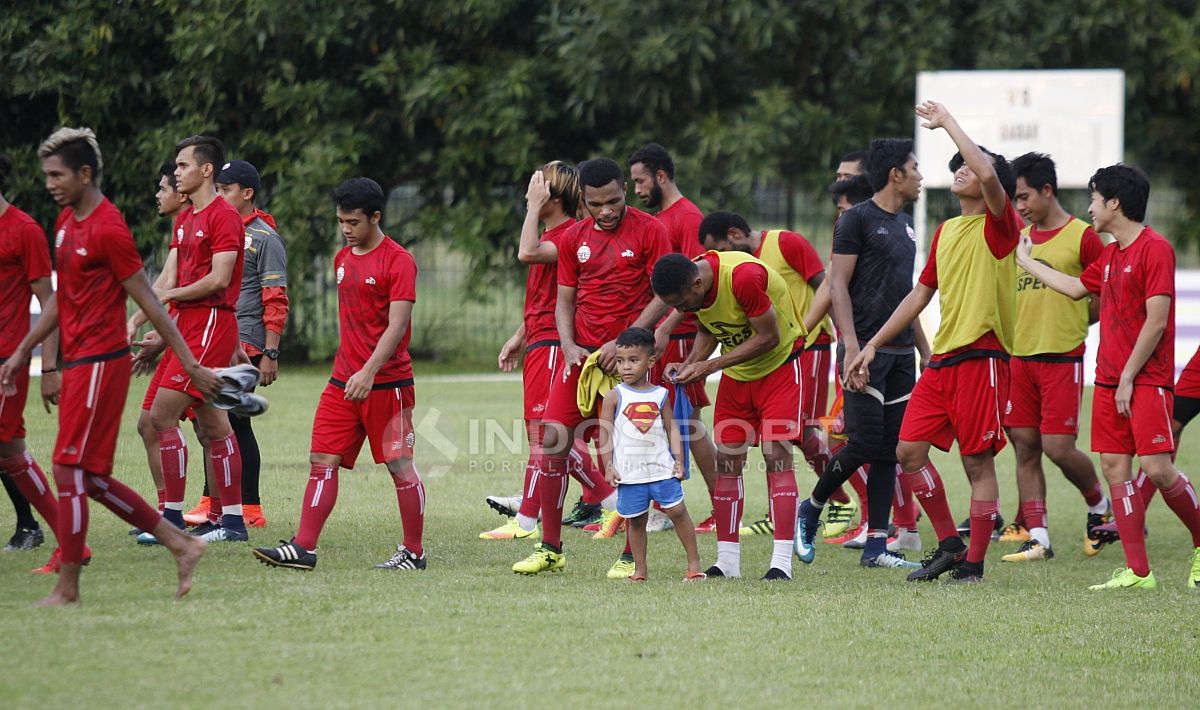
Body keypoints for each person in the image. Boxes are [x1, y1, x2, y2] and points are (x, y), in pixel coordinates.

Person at [0, 126, 217, 605]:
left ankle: (68, 587)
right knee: (88, 478)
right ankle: (181, 543)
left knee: (67, 469)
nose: (50, 183)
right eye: (46, 175)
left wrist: (189, 363)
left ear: (84, 173)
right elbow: (60, 301)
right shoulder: (65, 223)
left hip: (103, 363)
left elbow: (153, 304)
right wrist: (26, 352)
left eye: (57, 175)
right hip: (80, 363)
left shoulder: (108, 228)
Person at [845, 102, 1021, 584]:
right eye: (958, 166)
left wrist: (947, 124)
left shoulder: (1000, 224)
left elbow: (987, 171)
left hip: (982, 358)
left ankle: (974, 565)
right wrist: (873, 343)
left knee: (975, 461)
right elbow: (918, 296)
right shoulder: (945, 231)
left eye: (970, 166)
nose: (962, 170)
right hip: (941, 362)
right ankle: (948, 544)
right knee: (907, 451)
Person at [1015, 164, 1200, 590]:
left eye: (1095, 199)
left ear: (1114, 203)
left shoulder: (1156, 249)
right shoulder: (1112, 254)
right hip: (1109, 380)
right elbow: (1076, 288)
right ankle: (1138, 573)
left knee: (1157, 470)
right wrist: (1027, 260)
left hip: (1145, 380)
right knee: (1116, 468)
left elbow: (1156, 322)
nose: (1089, 207)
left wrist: (1130, 377)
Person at [253, 177, 425, 571]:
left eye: (353, 222)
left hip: (387, 383)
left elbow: (397, 326)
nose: (346, 230)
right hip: (343, 380)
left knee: (400, 466)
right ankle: (304, 547)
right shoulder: (342, 259)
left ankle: (414, 552)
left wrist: (369, 370)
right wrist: (355, 370)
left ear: (375, 218)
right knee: (322, 459)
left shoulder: (399, 261)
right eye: (341, 222)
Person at [510, 157, 671, 577]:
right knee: (552, 441)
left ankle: (631, 556)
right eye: (597, 204)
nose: (606, 211)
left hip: (629, 360)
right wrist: (567, 345)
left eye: (614, 201)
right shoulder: (573, 238)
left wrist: (625, 342)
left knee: (631, 456)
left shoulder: (651, 230)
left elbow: (663, 295)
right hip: (581, 359)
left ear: (623, 192)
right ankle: (550, 547)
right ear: (584, 199)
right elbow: (565, 298)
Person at [793, 137, 931, 570]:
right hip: (862, 351)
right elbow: (837, 285)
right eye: (915, 167)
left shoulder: (907, 226)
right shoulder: (855, 220)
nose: (921, 176)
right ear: (896, 174)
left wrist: (924, 349)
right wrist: (851, 346)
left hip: (900, 352)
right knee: (865, 442)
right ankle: (811, 506)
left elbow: (908, 295)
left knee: (890, 449)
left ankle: (876, 548)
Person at [697, 211, 862, 539]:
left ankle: (844, 500)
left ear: (734, 233)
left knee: (804, 431)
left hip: (806, 347)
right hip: (765, 357)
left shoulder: (786, 242)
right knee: (787, 437)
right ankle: (785, 512)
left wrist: (828, 336)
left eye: (719, 246)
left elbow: (828, 286)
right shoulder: (733, 270)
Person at [651, 249, 805, 581]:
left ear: (696, 282)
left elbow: (769, 337)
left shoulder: (743, 277)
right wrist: (692, 363)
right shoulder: (697, 284)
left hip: (779, 367)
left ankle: (781, 563)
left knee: (776, 454)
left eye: (682, 303)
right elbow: (710, 326)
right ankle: (728, 562)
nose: (681, 311)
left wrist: (710, 366)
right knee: (728, 461)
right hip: (739, 376)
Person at [483, 162, 617, 540]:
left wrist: (531, 207)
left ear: (552, 198)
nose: (528, 196)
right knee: (543, 437)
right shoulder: (555, 233)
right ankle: (528, 517)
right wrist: (520, 335)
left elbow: (526, 253)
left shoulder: (569, 234)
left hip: (557, 343)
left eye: (535, 190)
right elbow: (548, 297)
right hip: (540, 339)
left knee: (549, 437)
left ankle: (611, 501)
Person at [1000, 152, 1110, 563]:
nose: (1020, 206)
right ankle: (1039, 537)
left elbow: (1104, 293)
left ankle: (1099, 506)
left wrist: (1074, 321)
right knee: (1025, 447)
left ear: (1048, 190)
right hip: (1020, 357)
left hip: (1063, 357)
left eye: (1025, 196)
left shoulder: (1083, 235)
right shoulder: (1020, 238)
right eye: (1015, 199)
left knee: (1058, 448)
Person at [145, 136, 248, 544]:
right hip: (188, 325)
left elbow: (220, 280)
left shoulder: (224, 217)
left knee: (159, 417)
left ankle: (170, 518)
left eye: (183, 165)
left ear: (207, 170)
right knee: (213, 426)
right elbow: (172, 277)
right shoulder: (185, 219)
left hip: (208, 324)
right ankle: (233, 522)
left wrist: (167, 297)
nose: (177, 172)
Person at [180, 159, 287, 529]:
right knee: (209, 424)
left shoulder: (265, 238)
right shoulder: (216, 228)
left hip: (248, 344)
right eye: (219, 190)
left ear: (247, 193)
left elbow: (276, 297)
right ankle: (213, 502)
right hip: (213, 338)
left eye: (226, 190)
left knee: (235, 425)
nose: (221, 196)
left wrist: (270, 353)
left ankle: (249, 507)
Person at [629, 142, 719, 533]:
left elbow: (696, 282)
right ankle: (664, 504)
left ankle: (720, 505)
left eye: (640, 180)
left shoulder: (687, 217)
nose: (636, 189)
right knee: (666, 421)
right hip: (659, 336)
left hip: (680, 336)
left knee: (687, 424)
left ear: (661, 176)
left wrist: (664, 327)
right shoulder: (658, 219)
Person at [0, 152, 67, 573]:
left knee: (8, 448)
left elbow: (51, 301)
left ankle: (64, 536)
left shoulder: (23, 230)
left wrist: (50, 367)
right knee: (10, 451)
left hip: (9, 359)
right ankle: (64, 535)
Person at [597, 327, 704, 581]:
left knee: (678, 512)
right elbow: (604, 434)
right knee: (635, 521)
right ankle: (640, 570)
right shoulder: (614, 396)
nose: (625, 367)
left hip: (661, 470)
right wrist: (608, 466)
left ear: (650, 361)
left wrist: (679, 460)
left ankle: (694, 565)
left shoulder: (660, 394)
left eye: (633, 360)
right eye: (621, 361)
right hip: (630, 473)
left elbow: (672, 429)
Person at [127, 162, 191, 525]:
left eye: (164, 187)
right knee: (149, 424)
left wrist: (162, 336)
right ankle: (170, 511)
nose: (158, 194)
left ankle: (223, 515)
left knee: (210, 428)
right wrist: (136, 322)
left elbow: (201, 294)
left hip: (196, 341)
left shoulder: (199, 223)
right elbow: (166, 283)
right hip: (180, 336)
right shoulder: (181, 228)